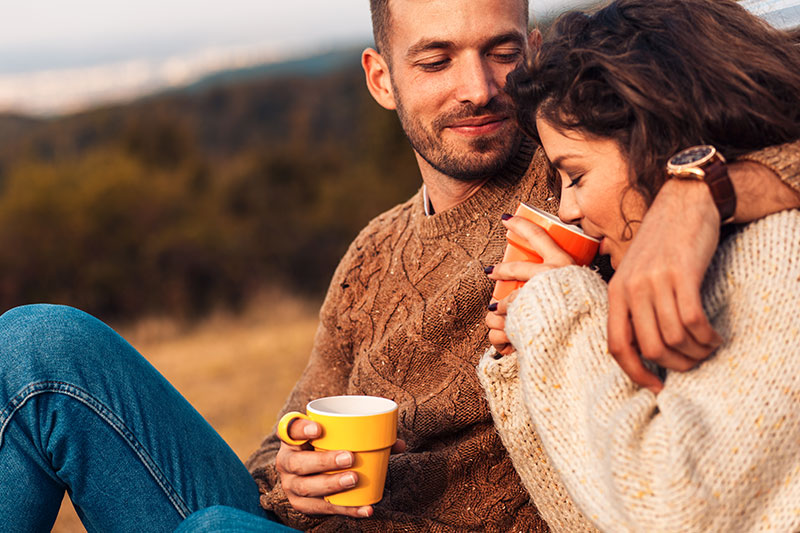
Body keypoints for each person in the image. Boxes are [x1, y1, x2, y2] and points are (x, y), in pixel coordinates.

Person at [1, 0, 799, 531]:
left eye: (501, 52)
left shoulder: (583, 173)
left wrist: (702, 190)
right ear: (382, 78)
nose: (479, 88)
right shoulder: (370, 254)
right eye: (437, 60)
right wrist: (293, 469)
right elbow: (279, 445)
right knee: (34, 346)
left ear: (534, 51)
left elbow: (758, 104)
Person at [479, 0, 800, 531]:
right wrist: (524, 359)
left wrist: (562, 314)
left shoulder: (777, 255)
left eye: (575, 176)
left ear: (657, 137)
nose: (567, 210)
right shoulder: (682, 277)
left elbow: (672, 512)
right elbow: (592, 516)